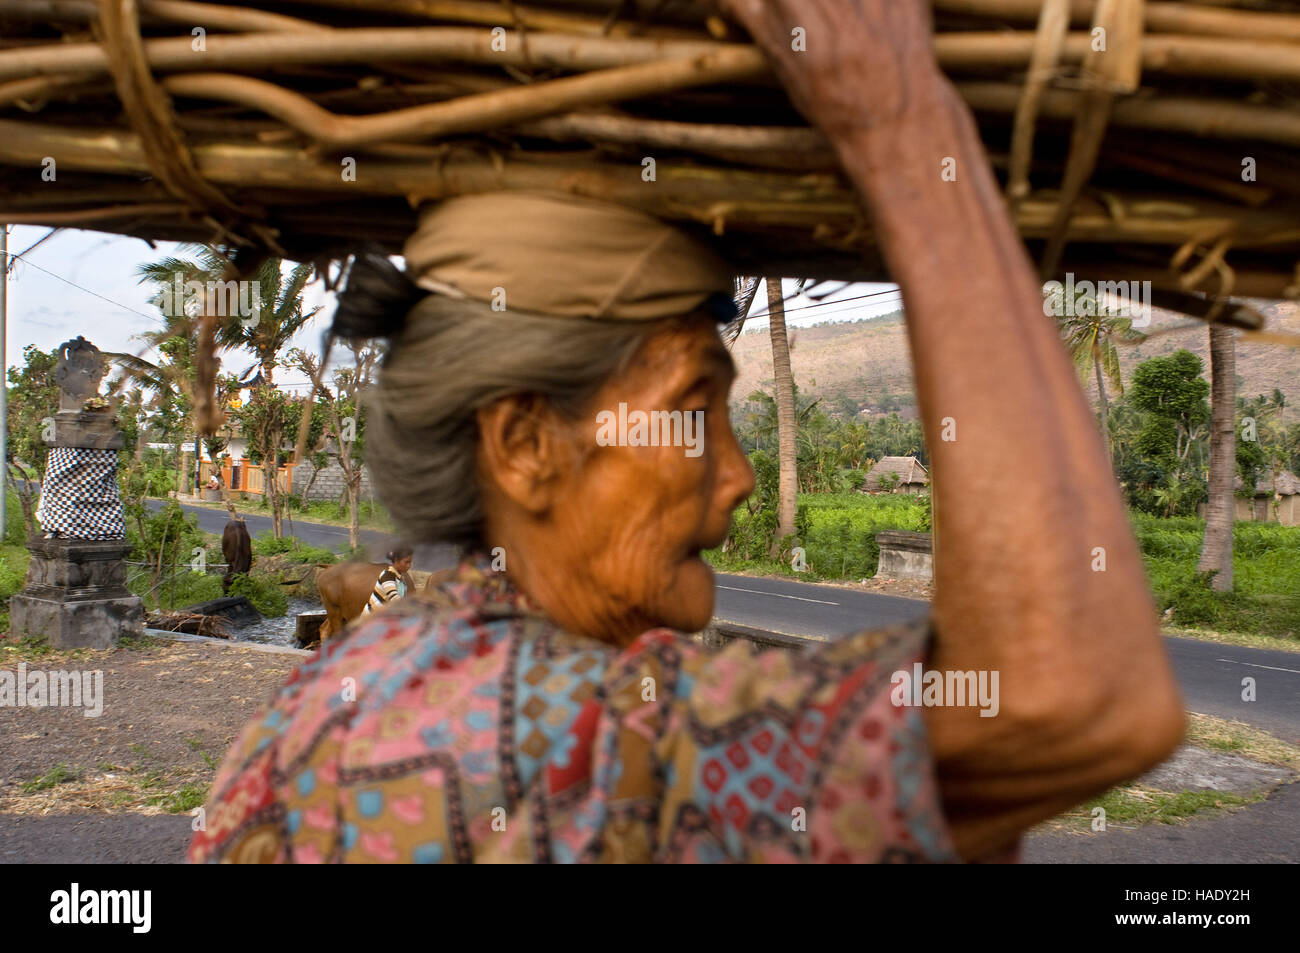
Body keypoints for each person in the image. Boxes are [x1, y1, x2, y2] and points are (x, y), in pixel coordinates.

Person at [188, 0, 1183, 864]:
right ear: (528, 444)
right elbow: (1067, 698)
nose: (738, 475)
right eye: (690, 410)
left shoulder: (320, 700)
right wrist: (902, 127)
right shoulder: (578, 725)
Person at [361, 546, 414, 616]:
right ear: (396, 560)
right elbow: (395, 598)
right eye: (406, 562)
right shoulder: (388, 576)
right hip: (371, 619)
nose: (409, 565)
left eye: (410, 562)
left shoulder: (399, 577)